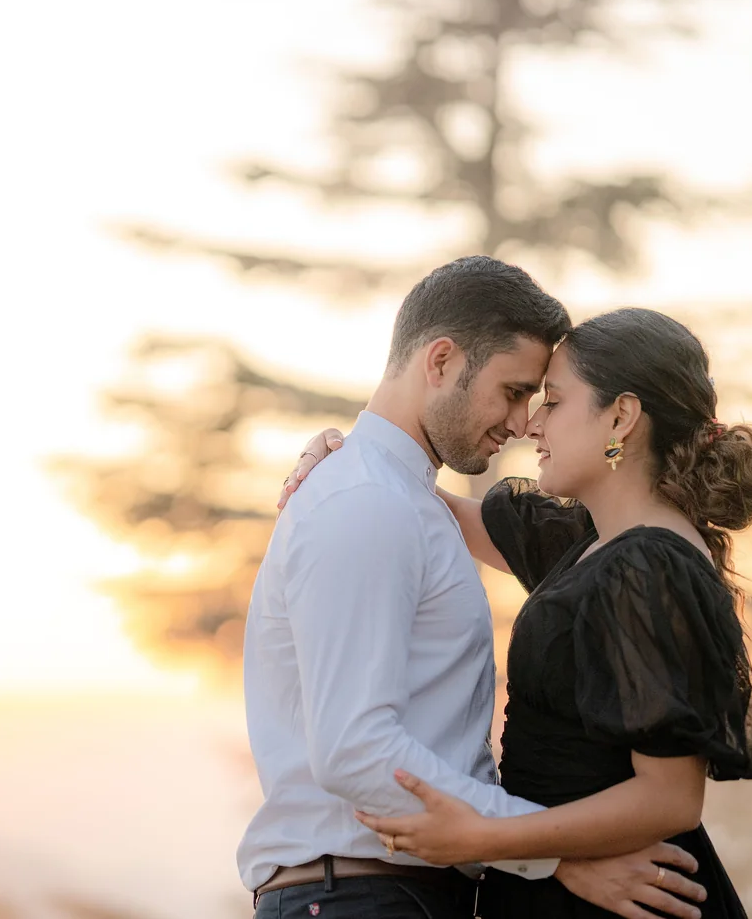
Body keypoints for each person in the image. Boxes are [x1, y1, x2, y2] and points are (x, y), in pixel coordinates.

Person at [241, 258, 708, 919]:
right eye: (515, 391)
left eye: (540, 400)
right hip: (360, 894)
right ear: (440, 362)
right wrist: (557, 856)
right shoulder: (366, 501)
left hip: (399, 892)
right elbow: (355, 750)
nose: (523, 423)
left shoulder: (403, 500)